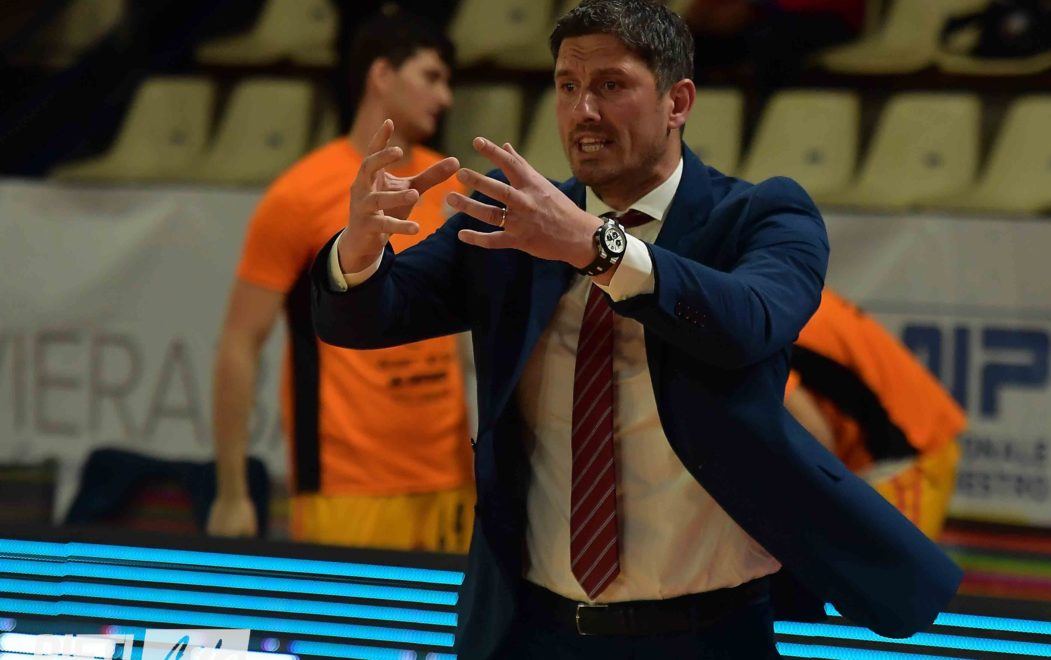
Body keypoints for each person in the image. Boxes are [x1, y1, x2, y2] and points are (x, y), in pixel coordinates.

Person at [312, 1, 961, 658]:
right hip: (530, 629)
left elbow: (749, 323)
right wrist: (359, 249)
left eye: (610, 85)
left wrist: (599, 247)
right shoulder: (514, 220)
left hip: (709, 633)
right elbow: (368, 318)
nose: (583, 110)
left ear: (678, 102)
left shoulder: (760, 215)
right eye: (567, 86)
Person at [206, 5, 475, 552]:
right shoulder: (300, 194)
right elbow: (240, 341)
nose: (445, 97)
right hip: (346, 484)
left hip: (450, 477)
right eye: (431, 77)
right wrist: (232, 492)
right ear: (382, 75)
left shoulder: (448, 186)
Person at [784, 288, 966, 540]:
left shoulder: (758, 337)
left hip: (903, 457)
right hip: (898, 442)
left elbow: (814, 440)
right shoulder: (789, 293)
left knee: (888, 567)